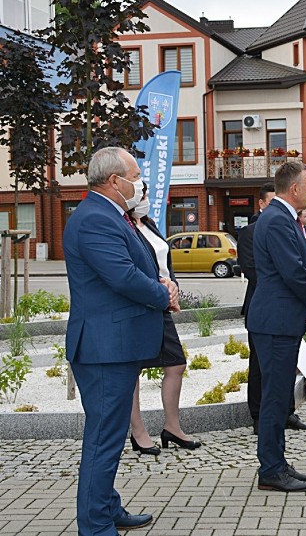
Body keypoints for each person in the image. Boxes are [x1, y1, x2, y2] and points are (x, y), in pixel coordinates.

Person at [63, 147, 178, 534]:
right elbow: (123, 277)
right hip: (103, 349)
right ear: (115, 181)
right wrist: (164, 294)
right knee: (103, 439)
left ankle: (107, 507)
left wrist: (162, 283)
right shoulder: (95, 218)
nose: (140, 181)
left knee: (109, 437)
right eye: (135, 174)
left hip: (114, 346)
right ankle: (95, 526)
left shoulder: (112, 214)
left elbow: (135, 267)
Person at [247, 161, 306, 492]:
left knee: (278, 396)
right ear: (294, 189)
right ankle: (271, 470)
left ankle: (277, 462)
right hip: (275, 321)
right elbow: (293, 271)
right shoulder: (277, 220)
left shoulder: (282, 218)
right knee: (275, 398)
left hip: (280, 320)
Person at [128, 184, 200, 455]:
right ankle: (138, 432)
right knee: (132, 370)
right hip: (141, 304)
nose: (145, 199)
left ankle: (172, 427)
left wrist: (174, 288)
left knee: (176, 363)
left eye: (146, 194)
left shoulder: (150, 224)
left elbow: (165, 263)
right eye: (142, 194)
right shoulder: (125, 227)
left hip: (162, 304)